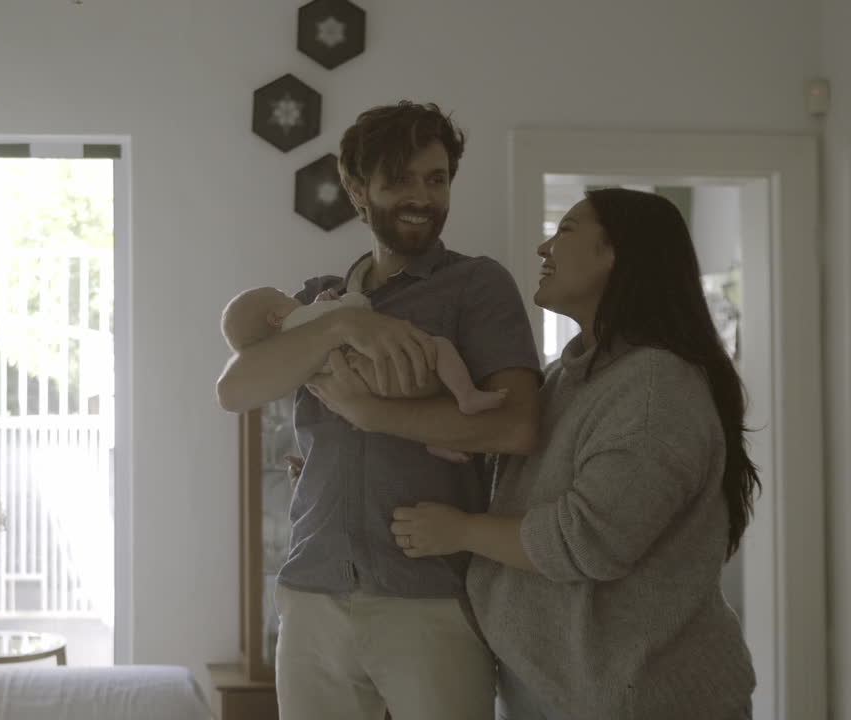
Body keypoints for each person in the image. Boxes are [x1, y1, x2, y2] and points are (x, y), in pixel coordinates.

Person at [327, 188, 754, 719]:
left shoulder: (653, 388)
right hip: (559, 695)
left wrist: (460, 530)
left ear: (617, 253)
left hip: (645, 701)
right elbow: (524, 487)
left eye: (566, 230)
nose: (544, 247)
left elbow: (589, 539)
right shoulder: (569, 378)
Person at [216, 101, 542, 720]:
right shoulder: (316, 303)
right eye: (400, 180)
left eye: (436, 179)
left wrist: (371, 414)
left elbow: (518, 425)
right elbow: (234, 391)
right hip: (312, 586)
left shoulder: (477, 285)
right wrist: (341, 324)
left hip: (432, 594)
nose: (422, 196)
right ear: (358, 191)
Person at [220, 283, 508, 462]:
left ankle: (433, 441)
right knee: (440, 349)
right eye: (282, 295)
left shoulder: (290, 353)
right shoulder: (303, 319)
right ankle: (466, 395)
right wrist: (348, 306)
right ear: (275, 318)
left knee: (410, 406)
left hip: (360, 386)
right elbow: (354, 308)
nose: (292, 296)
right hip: (377, 369)